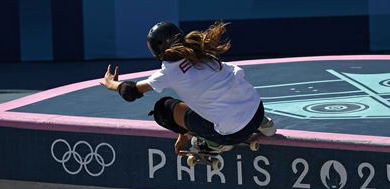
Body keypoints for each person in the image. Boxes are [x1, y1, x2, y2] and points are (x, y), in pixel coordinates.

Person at [100, 21, 275, 155]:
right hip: (257, 109)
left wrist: (111, 84)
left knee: (163, 109)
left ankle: (214, 142)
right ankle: (262, 123)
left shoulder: (169, 71)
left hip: (234, 132)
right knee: (208, 95)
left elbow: (131, 92)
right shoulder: (201, 51)